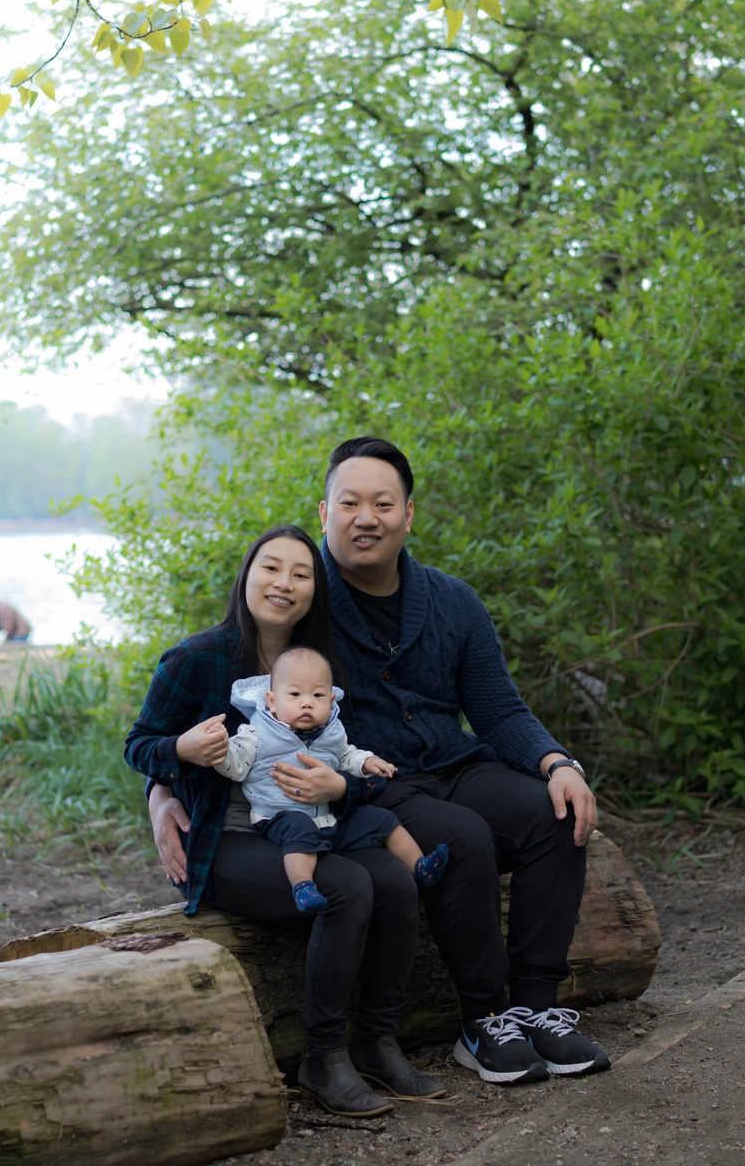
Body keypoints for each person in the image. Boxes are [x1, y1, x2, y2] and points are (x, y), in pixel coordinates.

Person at [151, 437, 610, 1087]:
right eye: (350, 502)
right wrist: (160, 788)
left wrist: (557, 761)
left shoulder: (453, 602)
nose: (367, 517)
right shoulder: (304, 604)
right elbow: (216, 686)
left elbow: (500, 711)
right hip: (362, 783)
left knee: (551, 812)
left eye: (383, 503)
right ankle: (485, 1020)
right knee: (463, 836)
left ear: (408, 515)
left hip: (455, 764)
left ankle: (538, 1007)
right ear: (325, 513)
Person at [125, 525, 439, 1117]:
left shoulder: (323, 670)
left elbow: (358, 761)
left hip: (313, 829)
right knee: (346, 885)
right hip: (227, 839)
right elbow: (139, 744)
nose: (284, 583)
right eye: (271, 568)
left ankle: (378, 1040)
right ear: (247, 574)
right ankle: (322, 1057)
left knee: (395, 880)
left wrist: (343, 784)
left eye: (300, 574)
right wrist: (171, 769)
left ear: (314, 592)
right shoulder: (197, 659)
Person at [216, 645, 449, 913]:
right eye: (294, 694)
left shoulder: (331, 731)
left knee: (381, 820)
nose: (307, 702)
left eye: (317, 695)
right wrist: (220, 752)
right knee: (299, 827)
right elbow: (236, 765)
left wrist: (367, 762)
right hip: (278, 815)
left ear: (330, 700)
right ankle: (302, 886)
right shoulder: (256, 732)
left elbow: (346, 755)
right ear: (272, 700)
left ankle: (420, 866)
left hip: (328, 818)